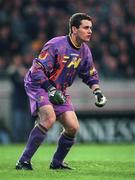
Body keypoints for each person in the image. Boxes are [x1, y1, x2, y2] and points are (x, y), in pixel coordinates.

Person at [16, 13, 107, 170]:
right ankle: (23, 161)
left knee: (73, 127)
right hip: (38, 84)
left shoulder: (85, 51)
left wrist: (97, 92)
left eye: (91, 28)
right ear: (74, 29)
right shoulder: (56, 45)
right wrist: (50, 89)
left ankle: (57, 163)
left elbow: (90, 74)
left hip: (59, 88)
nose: (90, 31)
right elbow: (37, 70)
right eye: (86, 27)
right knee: (49, 118)